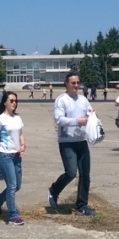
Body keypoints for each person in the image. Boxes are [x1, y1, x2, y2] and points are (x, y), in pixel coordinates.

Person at [48, 72, 96, 216]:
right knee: (70, 173)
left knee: (85, 174)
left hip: (81, 140)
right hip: (67, 142)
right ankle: (54, 190)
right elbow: (59, 120)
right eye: (73, 83)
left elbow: (88, 113)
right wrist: (76, 121)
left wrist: (93, 114)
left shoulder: (83, 100)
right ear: (66, 84)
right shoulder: (61, 100)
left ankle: (82, 205)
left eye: (78, 83)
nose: (76, 85)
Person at [0, 91, 26, 225]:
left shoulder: (17, 118)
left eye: (15, 101)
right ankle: (13, 215)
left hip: (16, 156)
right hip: (4, 156)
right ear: (5, 102)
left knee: (17, 186)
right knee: (12, 185)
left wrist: (23, 145)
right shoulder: (0, 119)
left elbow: (20, 134)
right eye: (11, 101)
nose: (14, 103)